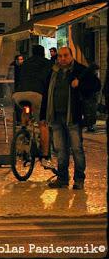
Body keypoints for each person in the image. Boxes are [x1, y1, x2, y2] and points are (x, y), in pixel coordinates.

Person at [43, 47, 97, 190]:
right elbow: (46, 92)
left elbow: (96, 85)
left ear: (71, 56)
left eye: (65, 55)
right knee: (60, 150)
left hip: (73, 116)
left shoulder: (80, 70)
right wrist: (44, 115)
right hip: (56, 116)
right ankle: (62, 179)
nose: (62, 58)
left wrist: (80, 84)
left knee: (76, 149)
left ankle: (79, 179)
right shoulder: (53, 72)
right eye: (60, 56)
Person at [11, 45, 52, 166]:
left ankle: (24, 132)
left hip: (19, 94)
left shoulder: (25, 63)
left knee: (26, 109)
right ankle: (45, 156)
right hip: (36, 94)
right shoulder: (47, 63)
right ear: (43, 53)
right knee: (43, 124)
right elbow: (50, 80)